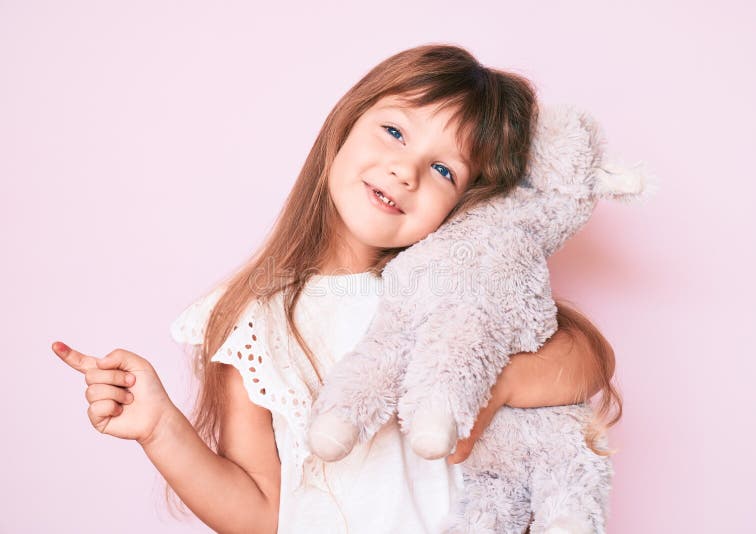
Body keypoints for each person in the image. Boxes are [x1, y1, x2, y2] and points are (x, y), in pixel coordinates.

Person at [52, 43, 621, 533]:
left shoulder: (453, 287)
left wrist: (489, 387)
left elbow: (589, 358)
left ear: (467, 204)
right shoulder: (259, 319)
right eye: (394, 132)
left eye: (444, 170)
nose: (406, 171)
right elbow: (262, 514)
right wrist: (160, 428)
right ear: (345, 124)